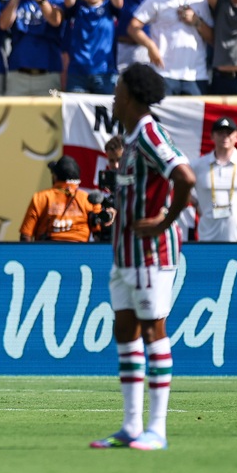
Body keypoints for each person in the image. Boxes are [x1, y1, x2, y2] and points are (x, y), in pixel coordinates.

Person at [90, 63, 196, 452]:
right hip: (125, 256)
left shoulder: (150, 132)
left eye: (118, 89)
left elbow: (184, 176)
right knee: (125, 331)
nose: (114, 97)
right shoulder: (131, 137)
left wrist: (165, 220)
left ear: (131, 95)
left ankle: (158, 429)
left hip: (151, 254)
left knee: (154, 332)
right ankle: (131, 427)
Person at [125, 0, 213, 95]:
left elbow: (213, 38)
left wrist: (197, 22)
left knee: (192, 119)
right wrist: (150, 46)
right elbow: (133, 27)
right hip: (164, 74)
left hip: (196, 75)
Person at [19, 156, 102, 242]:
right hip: (79, 252)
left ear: (55, 176)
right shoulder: (89, 200)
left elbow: (25, 235)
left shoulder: (40, 198)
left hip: (47, 252)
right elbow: (99, 235)